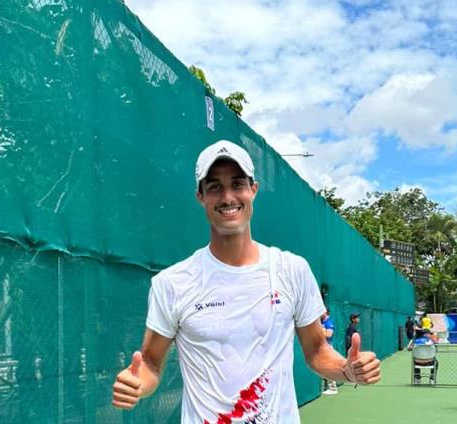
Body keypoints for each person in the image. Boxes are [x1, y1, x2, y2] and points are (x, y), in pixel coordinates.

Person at [111, 140, 381, 422]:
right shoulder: (172, 283)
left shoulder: (291, 269)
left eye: (237, 184)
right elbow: (151, 363)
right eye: (214, 187)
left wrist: (346, 370)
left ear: (253, 190)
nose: (228, 197)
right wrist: (137, 383)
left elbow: (316, 351)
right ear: (200, 196)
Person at [320, 308, 337, 395]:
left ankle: (333, 388)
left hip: (328, 348)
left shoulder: (328, 322)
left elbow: (329, 335)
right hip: (321, 348)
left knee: (328, 367)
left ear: (325, 312)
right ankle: (324, 387)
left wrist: (321, 331)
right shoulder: (321, 322)